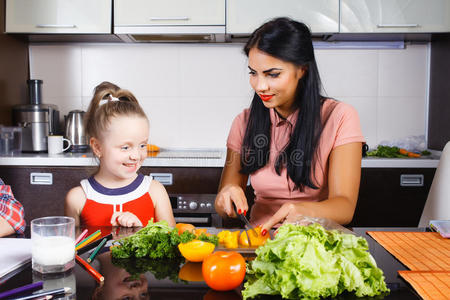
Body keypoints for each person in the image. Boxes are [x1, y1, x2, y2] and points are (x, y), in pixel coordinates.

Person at [215, 18, 365, 235]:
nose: (260, 86)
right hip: (261, 241)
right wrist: (225, 196)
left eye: (273, 74)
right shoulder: (244, 122)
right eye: (253, 73)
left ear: (302, 70)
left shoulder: (340, 116)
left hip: (316, 241)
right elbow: (223, 203)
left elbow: (345, 207)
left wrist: (303, 211)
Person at [65, 82, 176, 228]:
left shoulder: (155, 191)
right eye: (125, 147)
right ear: (98, 147)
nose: (136, 156)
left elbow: (172, 245)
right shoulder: (77, 198)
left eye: (142, 145)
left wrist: (140, 231)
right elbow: (74, 248)